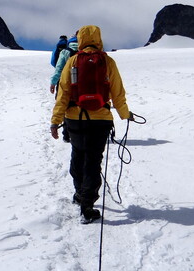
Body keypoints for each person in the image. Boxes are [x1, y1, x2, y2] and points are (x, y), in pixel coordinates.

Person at [49, 25, 132, 223]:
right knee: (93, 161)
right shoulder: (108, 62)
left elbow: (63, 95)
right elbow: (118, 91)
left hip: (75, 120)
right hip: (100, 120)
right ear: (98, 39)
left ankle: (80, 193)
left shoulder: (72, 62)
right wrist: (124, 114)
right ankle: (87, 205)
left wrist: (55, 122)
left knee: (78, 156)